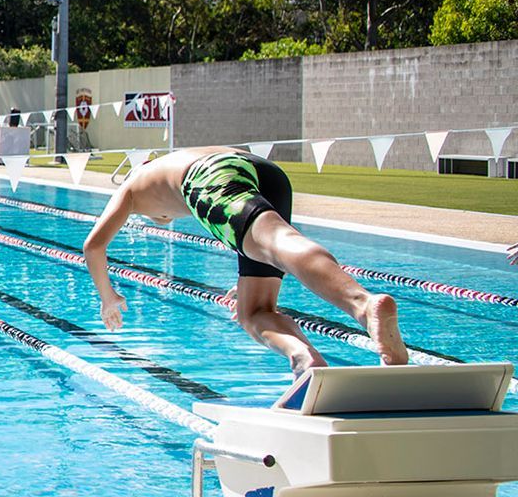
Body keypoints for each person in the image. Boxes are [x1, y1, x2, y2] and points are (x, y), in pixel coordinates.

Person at [83, 146, 407, 385]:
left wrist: (108, 297)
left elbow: (93, 246)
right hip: (262, 170)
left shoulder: (129, 188)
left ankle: (363, 304)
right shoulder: (170, 162)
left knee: (278, 242)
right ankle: (304, 358)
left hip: (209, 175)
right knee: (251, 310)